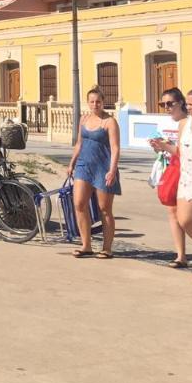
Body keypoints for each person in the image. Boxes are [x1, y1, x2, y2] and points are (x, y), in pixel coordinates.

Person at [67, 87, 121, 258]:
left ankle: (107, 248)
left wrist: (112, 170)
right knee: (79, 204)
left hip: (103, 168)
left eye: (98, 101)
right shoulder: (84, 119)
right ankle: (86, 245)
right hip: (84, 166)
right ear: (87, 102)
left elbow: (115, 148)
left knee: (104, 208)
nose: (95, 104)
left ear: (103, 102)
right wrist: (72, 163)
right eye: (92, 101)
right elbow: (79, 144)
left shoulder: (110, 122)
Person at [151, 87, 192, 274]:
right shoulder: (184, 124)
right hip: (185, 175)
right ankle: (181, 255)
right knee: (182, 218)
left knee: (185, 218)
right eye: (190, 104)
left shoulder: (185, 121)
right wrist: (163, 147)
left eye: (170, 103)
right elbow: (180, 151)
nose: (191, 107)